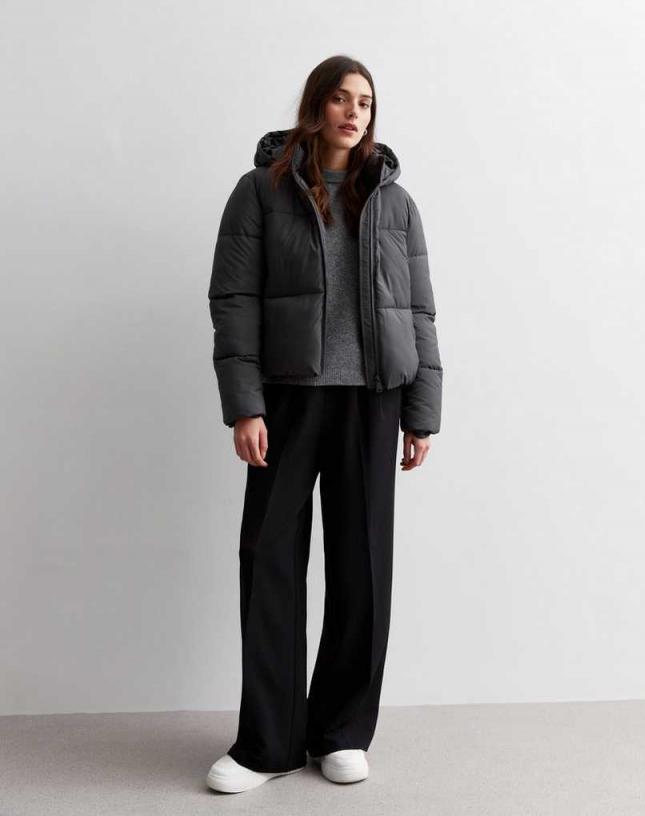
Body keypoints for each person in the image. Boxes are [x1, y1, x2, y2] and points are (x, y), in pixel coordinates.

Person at [205, 55, 443, 794]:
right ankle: (267, 743)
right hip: (287, 397)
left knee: (362, 566)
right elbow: (233, 300)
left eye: (364, 102)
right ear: (315, 106)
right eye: (340, 98)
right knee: (270, 560)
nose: (353, 112)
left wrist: (420, 412)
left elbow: (419, 311)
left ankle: (341, 731)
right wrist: (245, 404)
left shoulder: (395, 203)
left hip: (372, 399)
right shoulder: (260, 191)